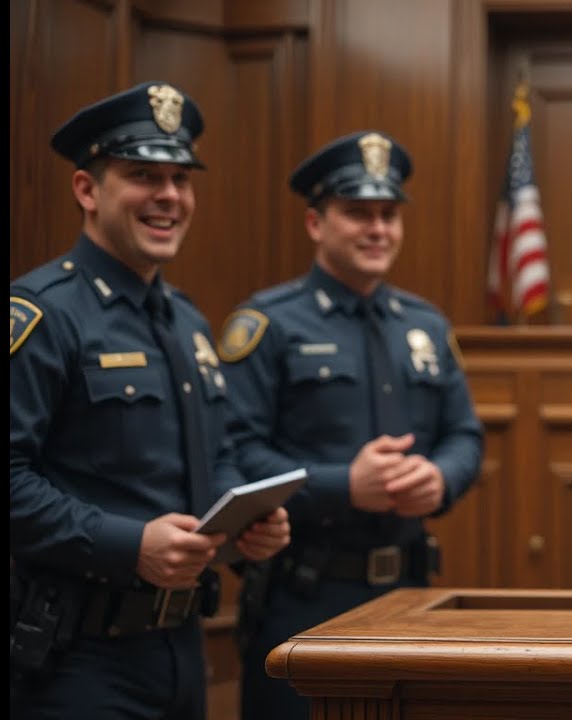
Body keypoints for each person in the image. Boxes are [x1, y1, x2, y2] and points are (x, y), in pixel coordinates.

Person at [9, 82, 292, 720]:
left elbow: (214, 453)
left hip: (180, 650)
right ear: (87, 189)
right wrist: (126, 543)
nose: (169, 196)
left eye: (181, 178)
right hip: (75, 659)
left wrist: (244, 515)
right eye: (142, 175)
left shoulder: (187, 321)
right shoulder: (42, 314)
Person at [218, 131, 485, 720]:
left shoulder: (425, 323)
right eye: (358, 213)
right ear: (315, 223)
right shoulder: (268, 323)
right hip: (304, 593)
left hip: (411, 592)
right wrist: (343, 486)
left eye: (389, 214)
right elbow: (234, 455)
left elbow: (466, 435)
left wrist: (440, 479)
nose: (378, 229)